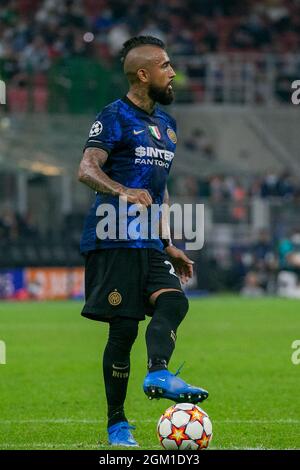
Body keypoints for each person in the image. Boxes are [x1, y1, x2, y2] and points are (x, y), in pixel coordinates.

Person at [78, 36, 208, 447]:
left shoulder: (168, 126)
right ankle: (118, 424)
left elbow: (160, 189)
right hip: (113, 236)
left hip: (149, 241)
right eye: (166, 66)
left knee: (174, 300)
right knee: (123, 331)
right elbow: (85, 168)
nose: (173, 74)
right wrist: (122, 190)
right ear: (143, 73)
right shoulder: (114, 116)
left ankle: (158, 371)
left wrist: (168, 241)